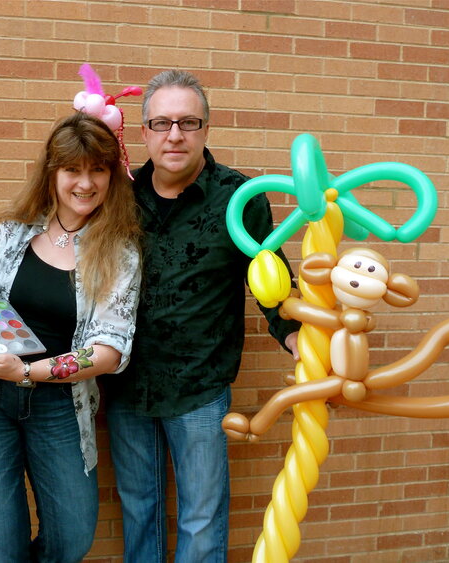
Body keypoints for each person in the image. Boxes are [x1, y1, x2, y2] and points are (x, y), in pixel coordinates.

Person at [103, 70, 300, 562]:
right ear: (143, 130)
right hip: (125, 381)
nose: (175, 135)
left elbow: (271, 284)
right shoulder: (117, 195)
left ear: (207, 129)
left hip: (200, 388)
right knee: (138, 509)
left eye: (188, 122)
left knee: (202, 516)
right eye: (162, 123)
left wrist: (300, 341)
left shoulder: (241, 198)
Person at [0, 111, 142, 563]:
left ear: (111, 177)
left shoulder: (119, 253)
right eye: (73, 169)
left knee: (73, 537)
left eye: (98, 170)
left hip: (58, 408)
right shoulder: (8, 235)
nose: (85, 183)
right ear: (52, 173)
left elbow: (109, 351)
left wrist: (26, 371)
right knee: (2, 552)